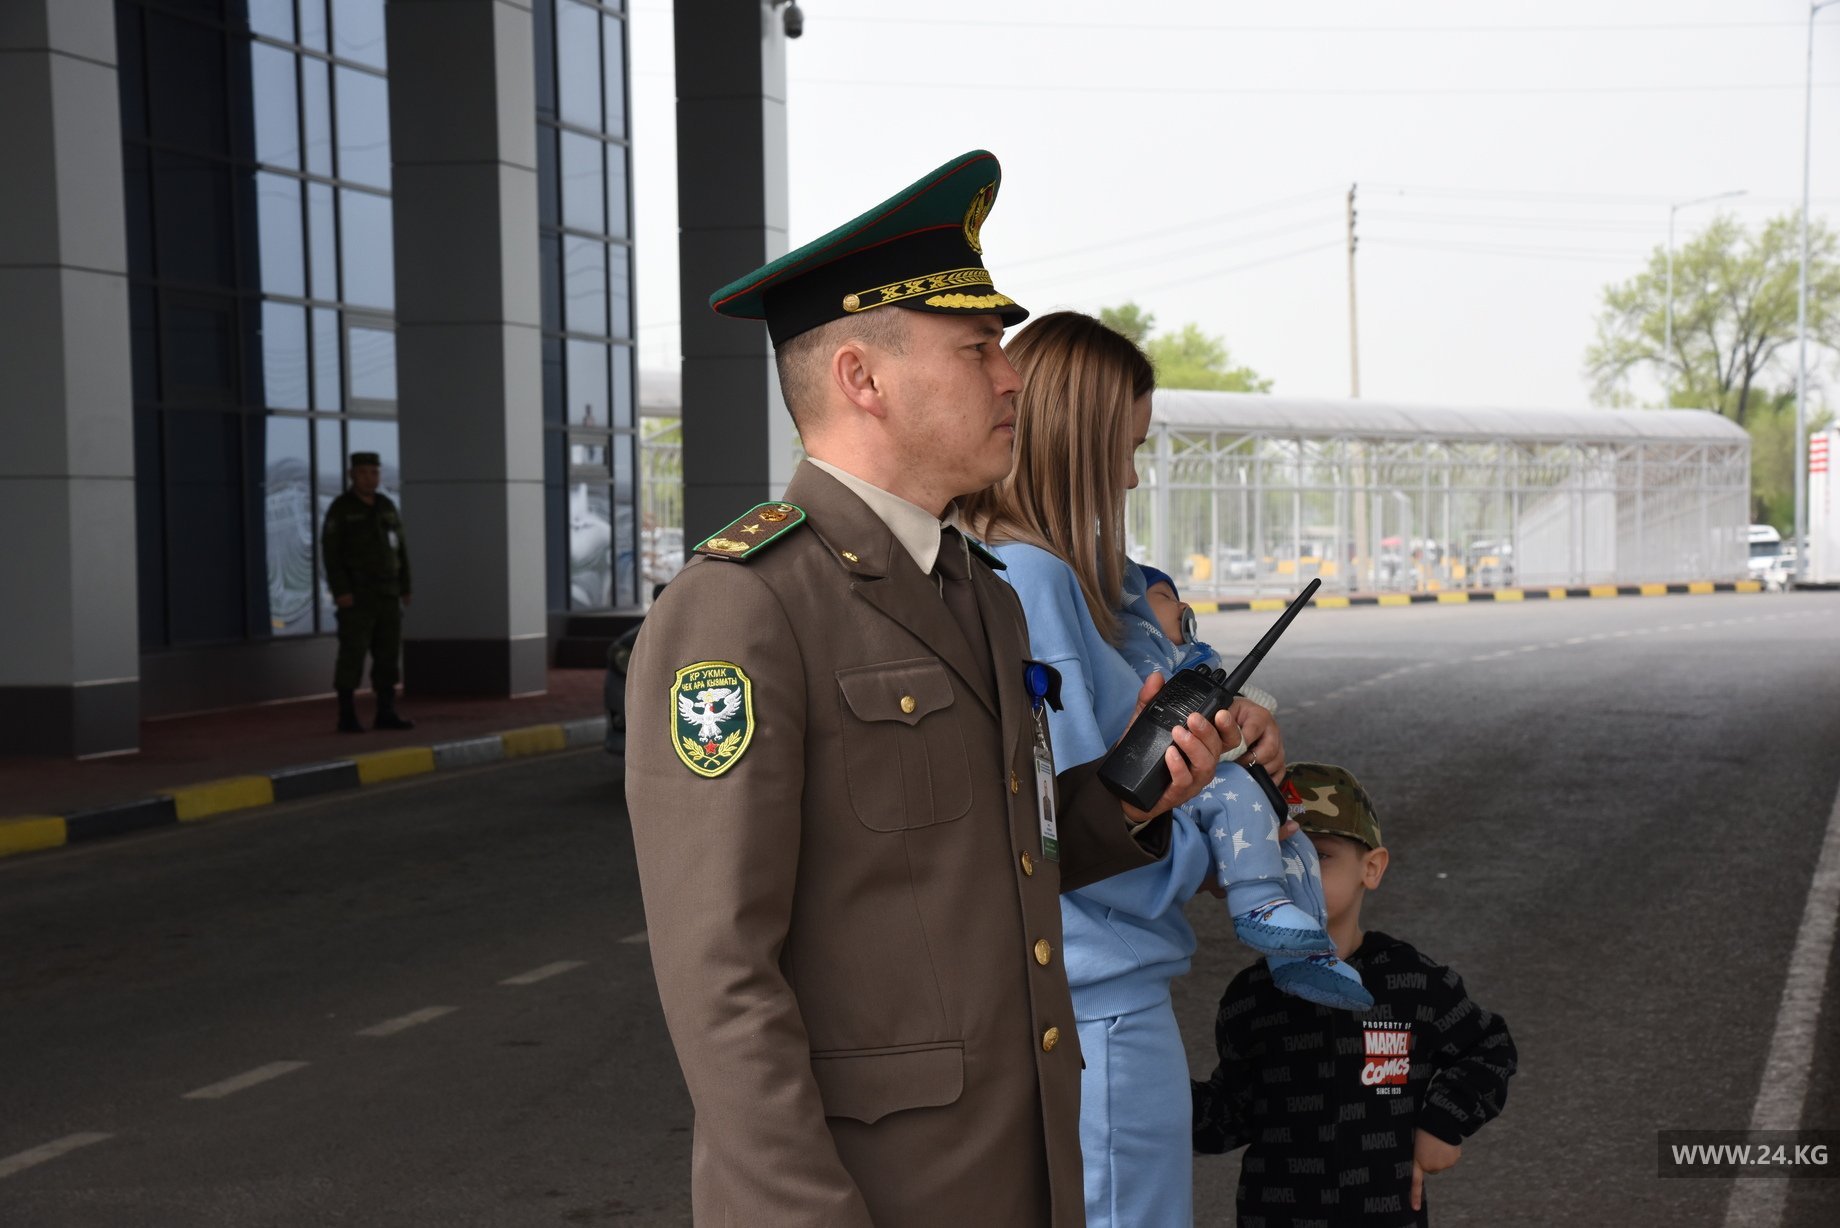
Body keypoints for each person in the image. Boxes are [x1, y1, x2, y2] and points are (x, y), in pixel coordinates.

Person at [622, 151, 1240, 1228]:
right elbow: (720, 975)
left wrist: (1137, 787)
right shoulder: (744, 606)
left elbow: (1004, 849)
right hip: (874, 1195)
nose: (1011, 378)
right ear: (862, 379)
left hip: (1014, 1170)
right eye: (977, 348)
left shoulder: (977, 590)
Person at [960, 310, 1300, 1228]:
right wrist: (1212, 844)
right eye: (1126, 447)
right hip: (1097, 1001)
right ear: (1077, 446)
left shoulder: (1023, 569)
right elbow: (1076, 829)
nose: (1132, 476)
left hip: (1054, 996)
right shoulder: (1035, 582)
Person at [1193, 762, 1519, 1227]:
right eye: (1277, 852)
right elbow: (1230, 1116)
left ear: (1371, 867)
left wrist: (1443, 1123)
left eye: (1320, 854)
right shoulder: (1249, 999)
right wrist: (1151, 1091)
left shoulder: (1413, 983)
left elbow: (1489, 1048)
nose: (1296, 870)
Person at [1123, 566, 1372, 1011]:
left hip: (1208, 773)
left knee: (1294, 842)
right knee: (1237, 794)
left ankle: (1307, 953)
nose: (1182, 606)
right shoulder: (1133, 651)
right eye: (1163, 597)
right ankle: (1257, 904)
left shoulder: (1188, 659)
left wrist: (1250, 713)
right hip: (1175, 783)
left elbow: (1239, 707)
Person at [320, 451, 413, 733]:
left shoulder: (385, 506)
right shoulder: (342, 509)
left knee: (387, 655)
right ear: (352, 475)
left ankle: (386, 712)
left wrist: (405, 586)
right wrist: (341, 590)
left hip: (387, 593)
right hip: (357, 595)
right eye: (363, 473)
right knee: (352, 653)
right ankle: (346, 715)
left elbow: (401, 549)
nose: (369, 478)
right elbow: (331, 555)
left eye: (374, 472)